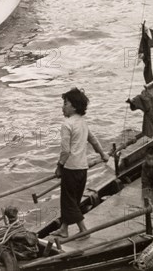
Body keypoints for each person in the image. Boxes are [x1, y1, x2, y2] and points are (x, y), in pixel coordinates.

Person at [51, 88, 109, 239]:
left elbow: (65, 151)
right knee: (73, 201)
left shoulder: (67, 124)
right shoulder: (83, 123)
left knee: (68, 201)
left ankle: (84, 230)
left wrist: (59, 166)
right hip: (82, 169)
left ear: (74, 107)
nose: (62, 107)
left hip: (70, 168)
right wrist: (103, 154)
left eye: (65, 104)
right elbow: (93, 140)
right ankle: (64, 229)